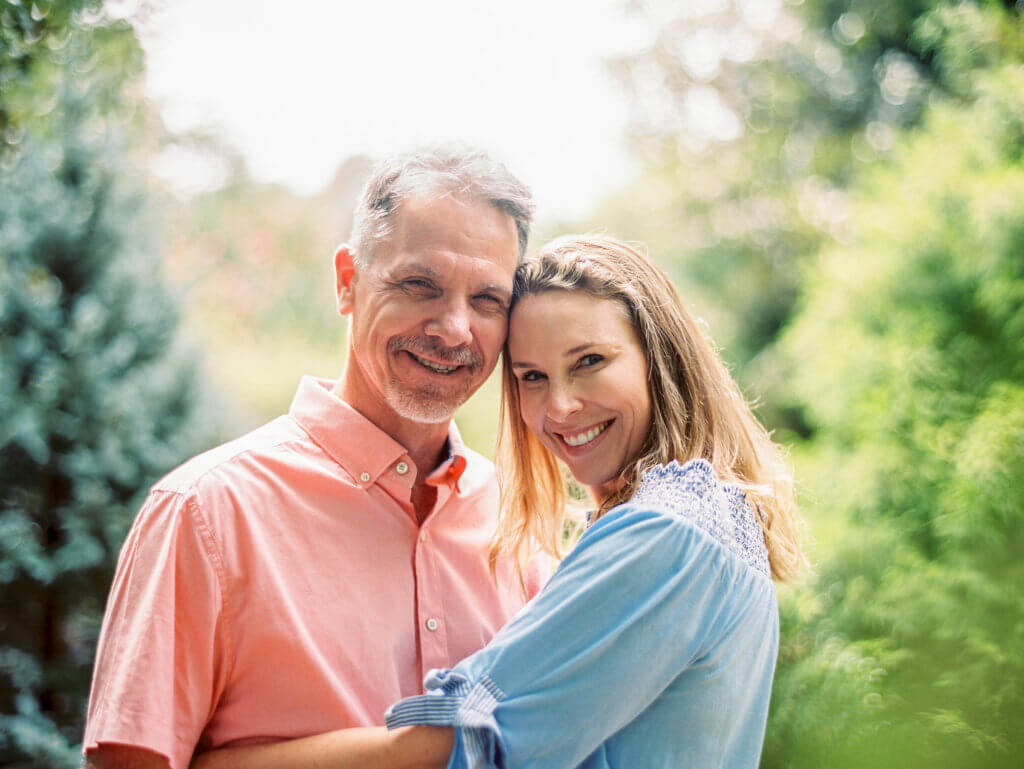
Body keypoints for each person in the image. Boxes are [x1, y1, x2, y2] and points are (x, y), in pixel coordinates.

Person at [189, 234, 805, 769]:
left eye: (589, 362)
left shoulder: (665, 534)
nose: (559, 407)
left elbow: (461, 743)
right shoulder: (710, 519)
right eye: (531, 377)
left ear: (661, 359)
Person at [82, 145, 543, 769]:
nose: (455, 328)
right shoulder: (203, 514)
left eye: (488, 300)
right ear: (348, 282)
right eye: (419, 285)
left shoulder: (521, 526)